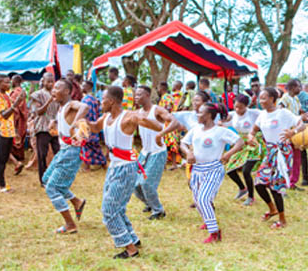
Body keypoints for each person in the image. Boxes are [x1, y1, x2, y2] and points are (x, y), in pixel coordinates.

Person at [81, 85, 163, 258]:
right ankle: (132, 238)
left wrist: (143, 118)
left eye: (102, 99)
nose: (99, 102)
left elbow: (157, 126)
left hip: (125, 169)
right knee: (116, 207)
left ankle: (130, 249)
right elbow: (95, 127)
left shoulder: (128, 117)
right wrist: (83, 122)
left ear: (111, 101)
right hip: (114, 167)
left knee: (109, 209)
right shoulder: (106, 117)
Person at [180, 102, 243, 243]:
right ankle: (208, 221)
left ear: (209, 115)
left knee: (203, 199)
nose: (197, 114)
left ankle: (215, 233)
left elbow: (239, 142)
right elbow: (183, 143)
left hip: (213, 169)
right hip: (197, 169)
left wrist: (228, 154)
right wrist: (188, 152)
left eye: (200, 112)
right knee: (198, 201)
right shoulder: (196, 129)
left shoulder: (220, 131)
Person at [246, 86, 305, 229]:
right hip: (270, 151)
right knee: (259, 183)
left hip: (283, 152)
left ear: (272, 99)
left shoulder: (283, 113)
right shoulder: (262, 115)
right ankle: (272, 209)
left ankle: (282, 219)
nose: (261, 101)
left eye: (264, 98)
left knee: (275, 186)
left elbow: (302, 124)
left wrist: (293, 132)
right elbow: (253, 130)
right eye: (260, 98)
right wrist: (250, 137)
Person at [42, 78, 88, 235]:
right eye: (53, 88)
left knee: (52, 188)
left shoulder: (70, 104)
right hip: (64, 151)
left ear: (67, 91)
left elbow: (84, 106)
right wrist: (54, 121)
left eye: (57, 88)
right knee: (46, 179)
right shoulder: (61, 107)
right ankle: (77, 201)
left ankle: (70, 224)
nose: (53, 91)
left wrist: (76, 122)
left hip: (71, 152)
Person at [130, 85, 174, 220]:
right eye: (135, 95)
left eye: (139, 95)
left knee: (146, 183)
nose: (136, 97)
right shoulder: (137, 112)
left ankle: (158, 210)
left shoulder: (157, 110)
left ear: (148, 95)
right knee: (134, 184)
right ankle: (149, 203)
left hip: (157, 152)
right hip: (144, 152)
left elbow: (174, 122)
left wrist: (161, 134)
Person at [223, 93, 265, 206]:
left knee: (246, 171)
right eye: (235, 106)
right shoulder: (232, 115)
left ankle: (251, 197)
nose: (237, 109)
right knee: (230, 168)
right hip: (240, 144)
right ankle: (242, 188)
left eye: (240, 107)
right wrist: (220, 122)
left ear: (246, 106)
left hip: (254, 143)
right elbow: (222, 122)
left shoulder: (254, 113)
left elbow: (267, 115)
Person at [0, 74, 21, 191]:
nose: (9, 84)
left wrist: (15, 130)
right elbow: (4, 115)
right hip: (1, 131)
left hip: (9, 131)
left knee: (4, 158)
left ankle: (0, 182)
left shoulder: (6, 96)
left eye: (9, 82)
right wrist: (16, 103)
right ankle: (0, 185)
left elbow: (11, 116)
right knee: (1, 159)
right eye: (6, 83)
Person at [278, 79, 308, 187]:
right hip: (287, 132)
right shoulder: (285, 99)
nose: (300, 89)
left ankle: (292, 182)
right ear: (291, 88)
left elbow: (299, 111)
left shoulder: (296, 99)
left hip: (296, 132)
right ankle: (284, 181)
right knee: (287, 157)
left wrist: (304, 116)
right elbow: (280, 111)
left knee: (297, 157)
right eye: (298, 87)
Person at [30, 72, 59, 184]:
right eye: (48, 81)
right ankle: (43, 179)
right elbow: (38, 112)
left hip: (55, 128)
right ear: (43, 81)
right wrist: (49, 101)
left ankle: (56, 176)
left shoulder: (57, 95)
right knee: (42, 154)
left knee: (58, 153)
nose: (51, 84)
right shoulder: (36, 95)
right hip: (42, 128)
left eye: (52, 81)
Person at [78, 80, 106, 169]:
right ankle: (103, 163)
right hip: (94, 126)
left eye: (84, 85)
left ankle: (87, 166)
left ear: (89, 87)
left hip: (87, 126)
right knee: (95, 147)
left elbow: (86, 114)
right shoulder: (93, 98)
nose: (82, 87)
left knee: (87, 146)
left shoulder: (87, 99)